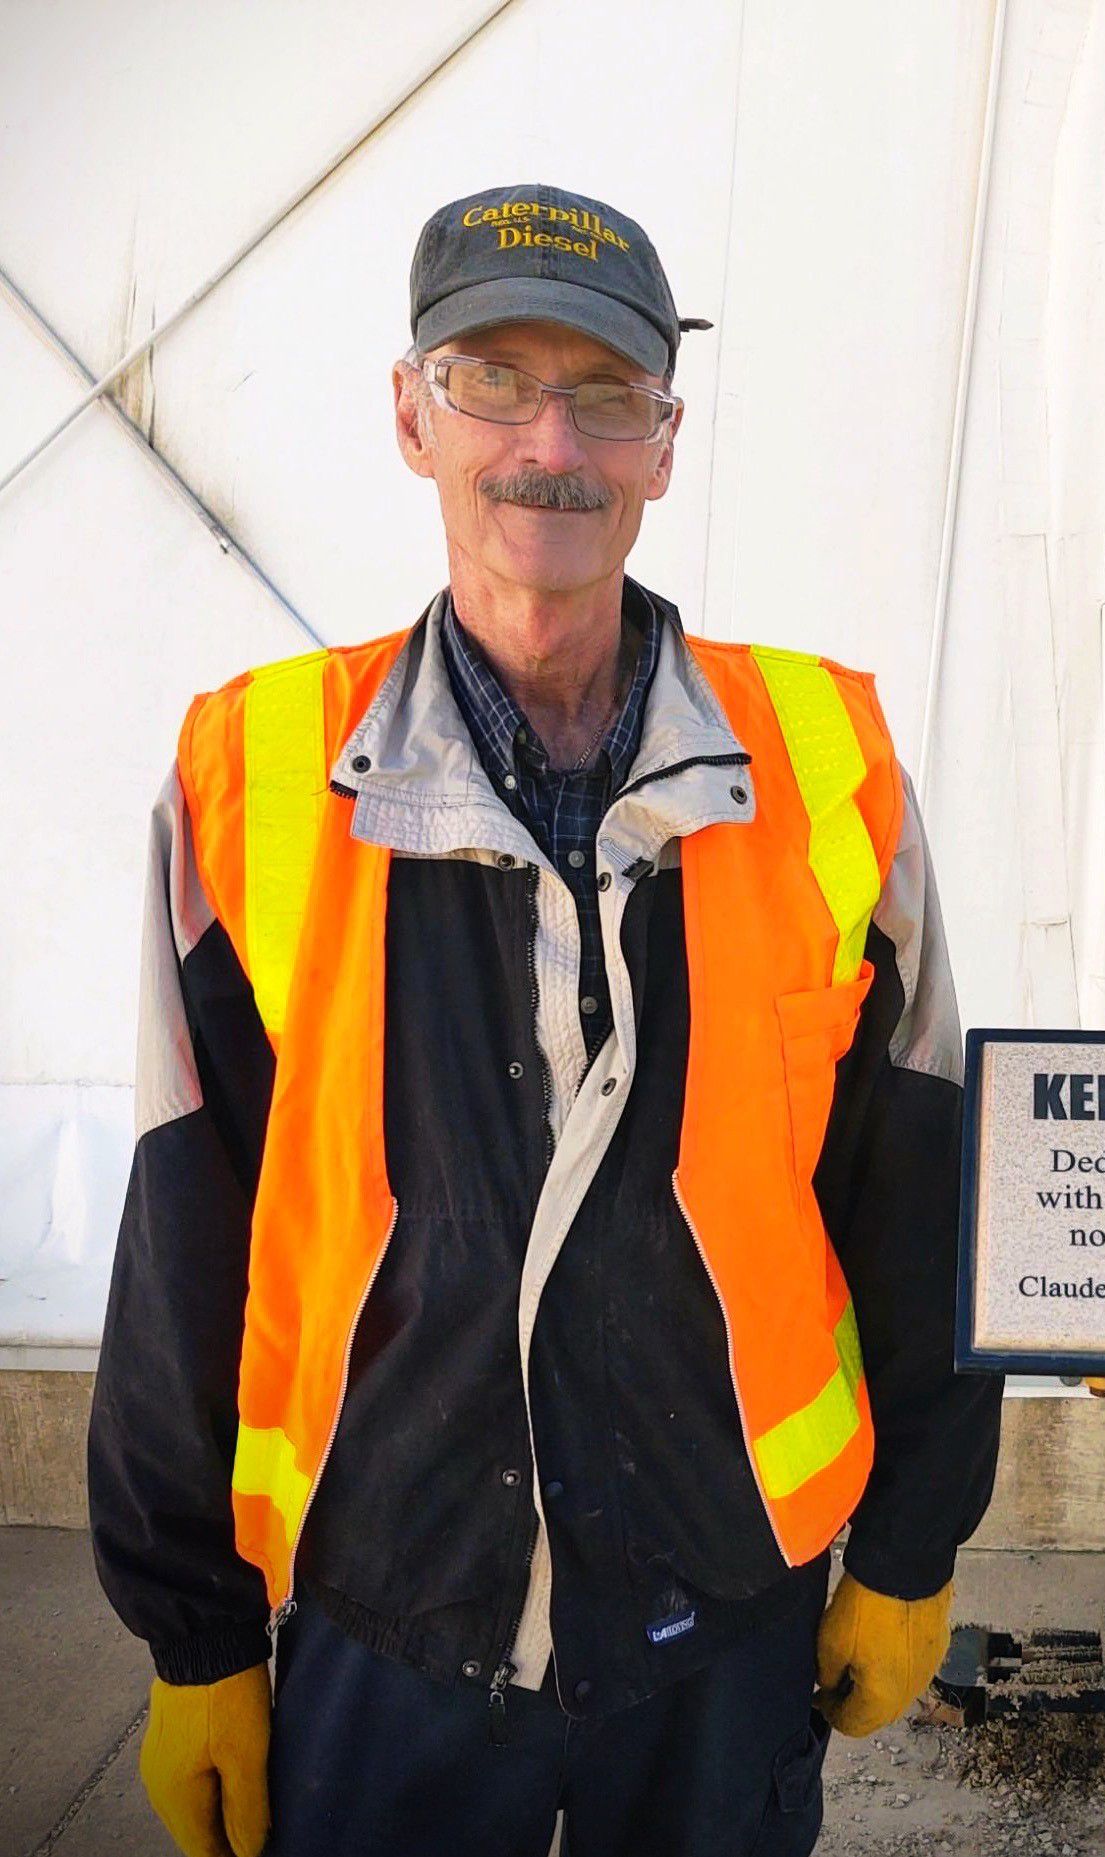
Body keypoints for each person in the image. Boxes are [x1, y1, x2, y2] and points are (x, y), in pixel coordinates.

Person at [86, 181, 1002, 1857]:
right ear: (410, 415)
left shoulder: (825, 763)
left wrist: (912, 1546)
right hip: (391, 1614)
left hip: (725, 1605)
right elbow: (184, 1227)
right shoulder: (254, 778)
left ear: (664, 441)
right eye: (492, 378)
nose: (547, 443)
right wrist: (195, 1632)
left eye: (603, 394)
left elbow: (922, 1185)